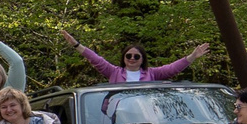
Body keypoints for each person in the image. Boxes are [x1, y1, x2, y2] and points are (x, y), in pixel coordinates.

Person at [60, 30, 211, 83]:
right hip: (118, 117)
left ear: (142, 59)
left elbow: (171, 69)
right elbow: (95, 59)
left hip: (146, 115)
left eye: (136, 57)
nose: (132, 58)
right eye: (129, 55)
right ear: (124, 57)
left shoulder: (152, 73)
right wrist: (76, 45)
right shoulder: (113, 72)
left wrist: (192, 56)